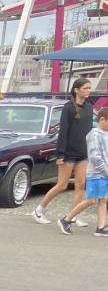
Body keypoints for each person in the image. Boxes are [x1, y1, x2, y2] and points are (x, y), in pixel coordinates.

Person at [34, 77, 94, 226]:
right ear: (76, 90)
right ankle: (39, 210)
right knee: (62, 184)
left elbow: (89, 131)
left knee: (80, 185)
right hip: (68, 153)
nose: (88, 91)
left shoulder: (89, 107)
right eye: (86, 88)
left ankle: (72, 216)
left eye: (89, 88)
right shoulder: (68, 108)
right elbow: (63, 132)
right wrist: (60, 153)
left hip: (83, 153)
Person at [59, 106, 108, 236]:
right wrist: (106, 172)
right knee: (91, 200)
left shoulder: (105, 134)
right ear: (102, 119)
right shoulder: (94, 135)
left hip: (104, 174)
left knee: (103, 199)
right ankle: (66, 220)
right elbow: (95, 157)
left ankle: (100, 227)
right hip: (96, 174)